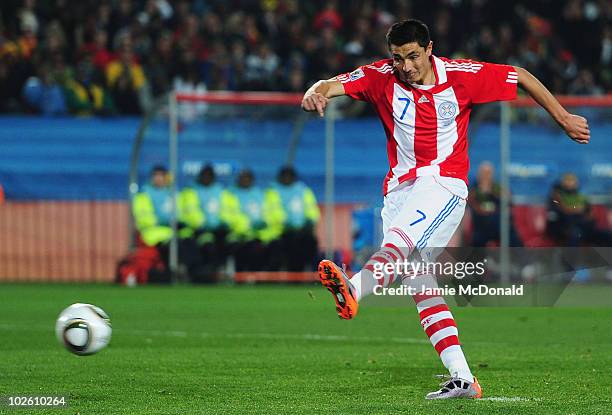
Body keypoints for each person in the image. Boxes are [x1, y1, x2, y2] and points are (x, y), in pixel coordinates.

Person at [301, 19, 590, 399]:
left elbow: (519, 75)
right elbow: (329, 84)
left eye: (413, 56)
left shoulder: (461, 76)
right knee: (418, 281)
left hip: (442, 183)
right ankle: (464, 378)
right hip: (399, 191)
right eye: (398, 58)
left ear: (429, 48)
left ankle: (354, 288)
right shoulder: (379, 77)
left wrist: (563, 117)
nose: (406, 66)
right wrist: (313, 93)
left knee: (398, 249)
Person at [132, 165, 199, 282]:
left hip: (175, 232)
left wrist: (182, 222)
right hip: (155, 234)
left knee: (191, 243)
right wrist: (165, 221)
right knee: (174, 246)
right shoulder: (144, 195)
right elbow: (144, 218)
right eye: (156, 176)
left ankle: (189, 272)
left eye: (161, 176)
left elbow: (183, 213)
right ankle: (172, 273)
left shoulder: (174, 194)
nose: (158, 179)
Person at [179, 165, 246, 277]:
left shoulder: (222, 193)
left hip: (221, 231)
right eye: (204, 176)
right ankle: (205, 273)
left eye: (209, 176)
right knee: (208, 245)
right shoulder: (191, 192)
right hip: (198, 230)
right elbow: (191, 212)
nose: (207, 178)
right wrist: (204, 223)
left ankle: (219, 271)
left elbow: (229, 213)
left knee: (233, 243)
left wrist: (224, 223)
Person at [232, 169, 284, 271]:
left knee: (277, 245)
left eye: (248, 178)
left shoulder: (262, 195)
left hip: (263, 235)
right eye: (243, 178)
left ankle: (269, 277)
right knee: (250, 247)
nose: (245, 181)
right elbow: (232, 216)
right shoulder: (231, 195)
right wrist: (249, 226)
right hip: (242, 235)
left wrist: (265, 223)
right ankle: (247, 277)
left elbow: (271, 214)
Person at [273, 166, 320, 271]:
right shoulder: (273, 191)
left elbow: (312, 210)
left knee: (310, 242)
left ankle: (311, 273)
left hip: (302, 231)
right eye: (284, 176)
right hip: (282, 231)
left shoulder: (303, 190)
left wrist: (308, 222)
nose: (286, 179)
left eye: (289, 176)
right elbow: (274, 211)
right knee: (286, 244)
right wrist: (286, 224)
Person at [546, 172, 612, 247]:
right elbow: (560, 213)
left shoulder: (581, 198)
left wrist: (588, 218)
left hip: (583, 227)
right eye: (568, 180)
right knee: (575, 235)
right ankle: (570, 258)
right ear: (562, 183)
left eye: (573, 181)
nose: (570, 183)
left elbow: (589, 215)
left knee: (607, 235)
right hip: (565, 229)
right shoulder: (556, 197)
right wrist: (575, 210)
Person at [468, 161, 522, 247]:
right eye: (484, 173)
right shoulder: (473, 189)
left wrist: (493, 193)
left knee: (511, 234)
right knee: (477, 239)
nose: (486, 176)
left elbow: (509, 200)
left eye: (488, 173)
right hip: (481, 226)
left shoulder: (497, 188)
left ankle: (520, 258)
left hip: (499, 226)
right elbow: (474, 206)